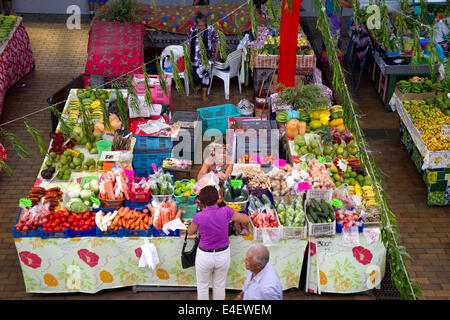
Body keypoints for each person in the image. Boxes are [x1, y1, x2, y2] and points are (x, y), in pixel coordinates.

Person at [188, 186, 250, 300]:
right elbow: (246, 219)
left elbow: (190, 231)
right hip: (223, 255)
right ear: (218, 199)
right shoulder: (226, 211)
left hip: (204, 256)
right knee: (219, 286)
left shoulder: (198, 216)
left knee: (202, 287)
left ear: (201, 202)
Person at [187, 12, 219, 102]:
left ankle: (204, 95)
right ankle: (199, 85)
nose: (201, 28)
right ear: (196, 24)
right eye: (199, 26)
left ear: (206, 23)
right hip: (195, 57)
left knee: (206, 75)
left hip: (207, 58)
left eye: (203, 25)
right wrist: (188, 54)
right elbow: (189, 42)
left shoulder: (210, 29)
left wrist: (216, 54)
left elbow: (217, 41)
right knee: (196, 73)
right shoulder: (192, 29)